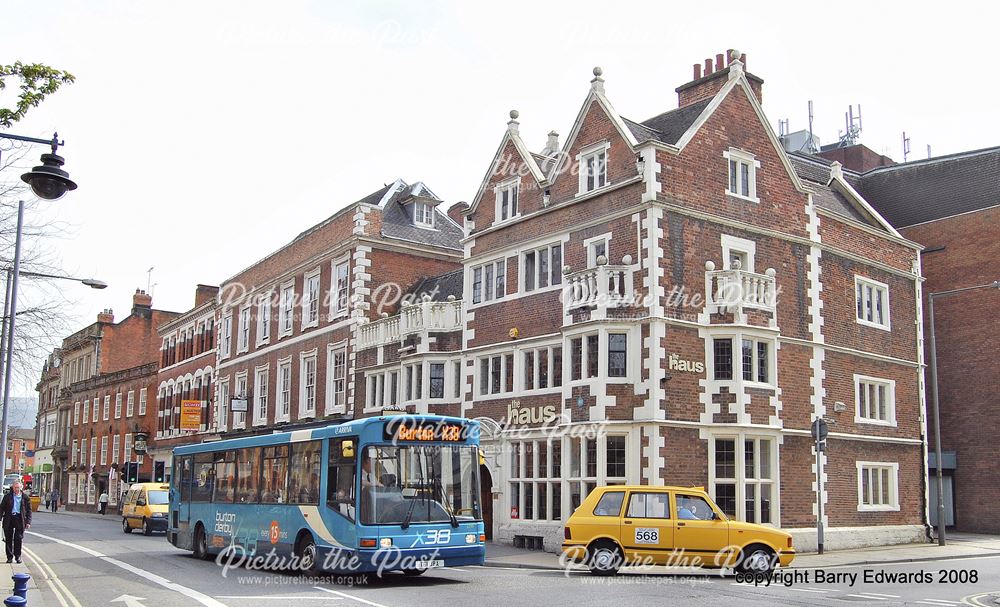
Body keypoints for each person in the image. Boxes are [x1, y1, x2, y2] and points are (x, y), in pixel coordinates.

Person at [0, 480, 32, 564]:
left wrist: (28, 521)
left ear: (21, 487)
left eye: (18, 487)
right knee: (8, 539)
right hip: (9, 519)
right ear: (12, 488)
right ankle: (9, 557)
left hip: (20, 519)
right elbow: (1, 508)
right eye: (15, 487)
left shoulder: (25, 497)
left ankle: (18, 556)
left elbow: (29, 510)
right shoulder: (7, 497)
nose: (17, 489)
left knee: (18, 539)